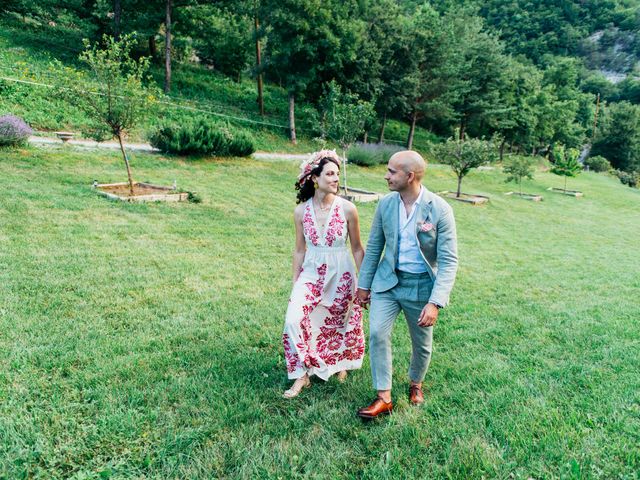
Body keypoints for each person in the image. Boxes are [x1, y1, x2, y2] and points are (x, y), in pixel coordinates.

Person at [355, 150, 458, 418]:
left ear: (409, 176)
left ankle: (416, 383)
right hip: (387, 282)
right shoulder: (386, 204)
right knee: (377, 333)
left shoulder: (440, 209)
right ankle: (383, 397)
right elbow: (375, 246)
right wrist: (364, 285)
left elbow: (448, 261)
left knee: (421, 343)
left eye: (391, 171)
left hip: (421, 286)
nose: (386, 175)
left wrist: (435, 302)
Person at [282, 150, 366, 398]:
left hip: (342, 273)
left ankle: (340, 364)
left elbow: (358, 248)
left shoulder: (348, 209)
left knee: (339, 321)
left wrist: (366, 283)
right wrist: (296, 281)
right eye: (329, 174)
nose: (335, 179)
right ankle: (301, 375)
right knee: (293, 319)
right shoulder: (301, 212)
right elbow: (299, 250)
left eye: (337, 174)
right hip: (311, 273)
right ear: (314, 178)